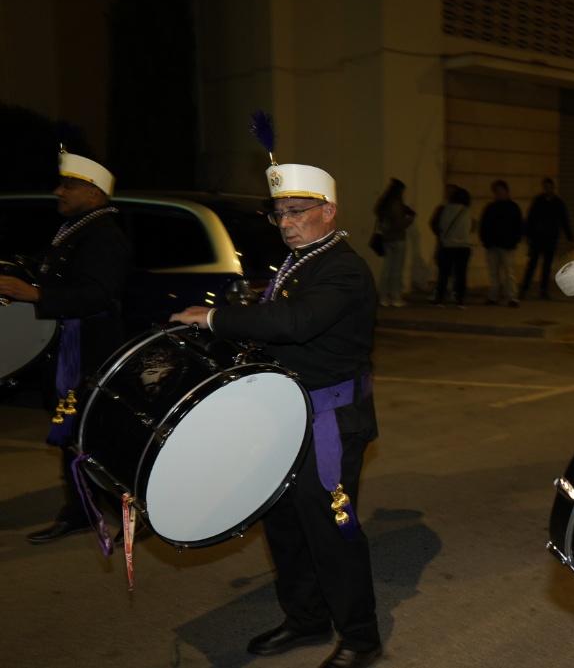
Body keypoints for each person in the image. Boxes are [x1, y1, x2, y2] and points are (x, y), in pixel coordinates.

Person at [171, 154, 382, 668]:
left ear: (328, 211)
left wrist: (219, 317)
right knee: (284, 521)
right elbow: (278, 317)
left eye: (296, 211)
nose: (286, 222)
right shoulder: (302, 261)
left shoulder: (344, 268)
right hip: (287, 414)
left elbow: (296, 322)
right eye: (279, 213)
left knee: (332, 528)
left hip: (329, 418)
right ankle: (306, 618)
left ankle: (360, 637)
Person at [0, 149, 131, 545]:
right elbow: (48, 268)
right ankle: (81, 510)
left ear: (93, 193)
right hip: (71, 348)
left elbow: (97, 294)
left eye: (68, 185)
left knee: (92, 433)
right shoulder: (77, 228)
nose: (59, 191)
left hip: (90, 349)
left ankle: (127, 508)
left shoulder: (104, 235)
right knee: (73, 431)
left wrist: (35, 293)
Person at [521, 177, 573, 300]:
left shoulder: (558, 203)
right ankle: (524, 288)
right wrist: (527, 235)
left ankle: (543, 290)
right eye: (545, 187)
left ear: (552, 188)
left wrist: (570, 238)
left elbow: (564, 221)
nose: (547, 189)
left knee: (547, 266)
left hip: (550, 239)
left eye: (549, 187)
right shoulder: (538, 201)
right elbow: (530, 219)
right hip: (537, 238)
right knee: (532, 265)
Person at [479, 179, 523, 307]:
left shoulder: (513, 207)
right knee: (493, 272)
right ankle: (493, 296)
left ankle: (512, 297)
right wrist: (485, 240)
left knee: (509, 272)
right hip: (492, 244)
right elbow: (484, 225)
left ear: (506, 191)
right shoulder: (491, 207)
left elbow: (518, 226)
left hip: (507, 245)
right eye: (496, 192)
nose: (498, 194)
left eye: (500, 191)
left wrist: (514, 240)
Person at [373, 177, 415, 307]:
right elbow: (398, 224)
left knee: (386, 269)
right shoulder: (395, 204)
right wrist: (409, 219)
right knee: (396, 270)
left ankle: (383, 296)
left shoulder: (384, 203)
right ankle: (395, 297)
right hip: (397, 239)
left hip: (386, 239)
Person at [433, 186, 472, 308]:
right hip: (462, 246)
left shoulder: (445, 209)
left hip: (447, 246)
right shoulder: (466, 211)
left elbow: (441, 225)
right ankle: (460, 299)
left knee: (444, 273)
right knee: (461, 274)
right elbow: (468, 228)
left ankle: (440, 298)